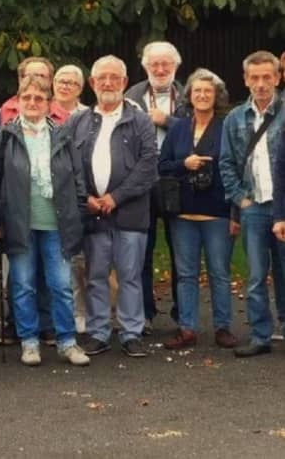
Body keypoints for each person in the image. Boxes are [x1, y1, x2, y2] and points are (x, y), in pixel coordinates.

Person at [0, 75, 90, 366]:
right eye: (27, 98)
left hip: (57, 223)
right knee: (24, 284)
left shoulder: (62, 135)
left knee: (61, 285)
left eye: (39, 98)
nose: (32, 103)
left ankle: (67, 341)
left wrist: (78, 216)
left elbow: (78, 181)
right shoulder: (4, 136)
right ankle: (29, 341)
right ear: (18, 101)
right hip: (18, 223)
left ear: (48, 103)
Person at [66, 55, 157, 358]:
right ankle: (99, 332)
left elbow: (148, 166)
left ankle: (131, 333)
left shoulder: (139, 119)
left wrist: (116, 197)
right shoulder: (78, 122)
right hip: (93, 215)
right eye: (101, 77)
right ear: (91, 83)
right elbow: (69, 165)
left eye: (114, 78)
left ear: (124, 83)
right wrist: (86, 198)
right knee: (96, 275)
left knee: (130, 275)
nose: (107, 83)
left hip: (130, 213)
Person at [158, 69, 237, 350]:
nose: (202, 95)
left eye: (208, 91)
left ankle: (223, 327)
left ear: (217, 96)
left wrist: (235, 213)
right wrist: (185, 164)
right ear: (189, 96)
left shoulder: (227, 126)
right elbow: (163, 165)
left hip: (217, 211)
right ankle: (187, 328)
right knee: (186, 273)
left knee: (219, 272)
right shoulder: (179, 127)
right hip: (183, 213)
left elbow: (236, 168)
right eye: (197, 91)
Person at [220, 50, 285, 358]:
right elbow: (226, 163)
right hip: (255, 207)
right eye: (254, 78)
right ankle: (260, 335)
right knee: (257, 275)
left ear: (277, 77)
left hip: (283, 206)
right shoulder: (235, 118)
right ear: (246, 80)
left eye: (267, 77)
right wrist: (240, 200)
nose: (261, 84)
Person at [126, 41, 189, 333]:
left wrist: (167, 121)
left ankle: (183, 315)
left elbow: (198, 131)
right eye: (155, 65)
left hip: (179, 181)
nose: (161, 69)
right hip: (143, 183)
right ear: (145, 67)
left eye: (166, 64)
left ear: (176, 66)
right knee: (142, 252)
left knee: (181, 252)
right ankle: (145, 315)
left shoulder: (191, 94)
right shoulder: (132, 96)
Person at [53, 64, 90, 333]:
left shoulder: (89, 116)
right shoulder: (43, 111)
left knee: (78, 262)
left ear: (81, 88)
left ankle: (80, 313)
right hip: (48, 198)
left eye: (71, 82)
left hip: (79, 196)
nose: (64, 86)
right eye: (60, 81)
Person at [0, 57, 70, 125]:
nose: (35, 80)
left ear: (50, 80)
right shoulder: (4, 111)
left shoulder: (65, 116)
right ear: (20, 79)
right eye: (29, 76)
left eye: (41, 76)